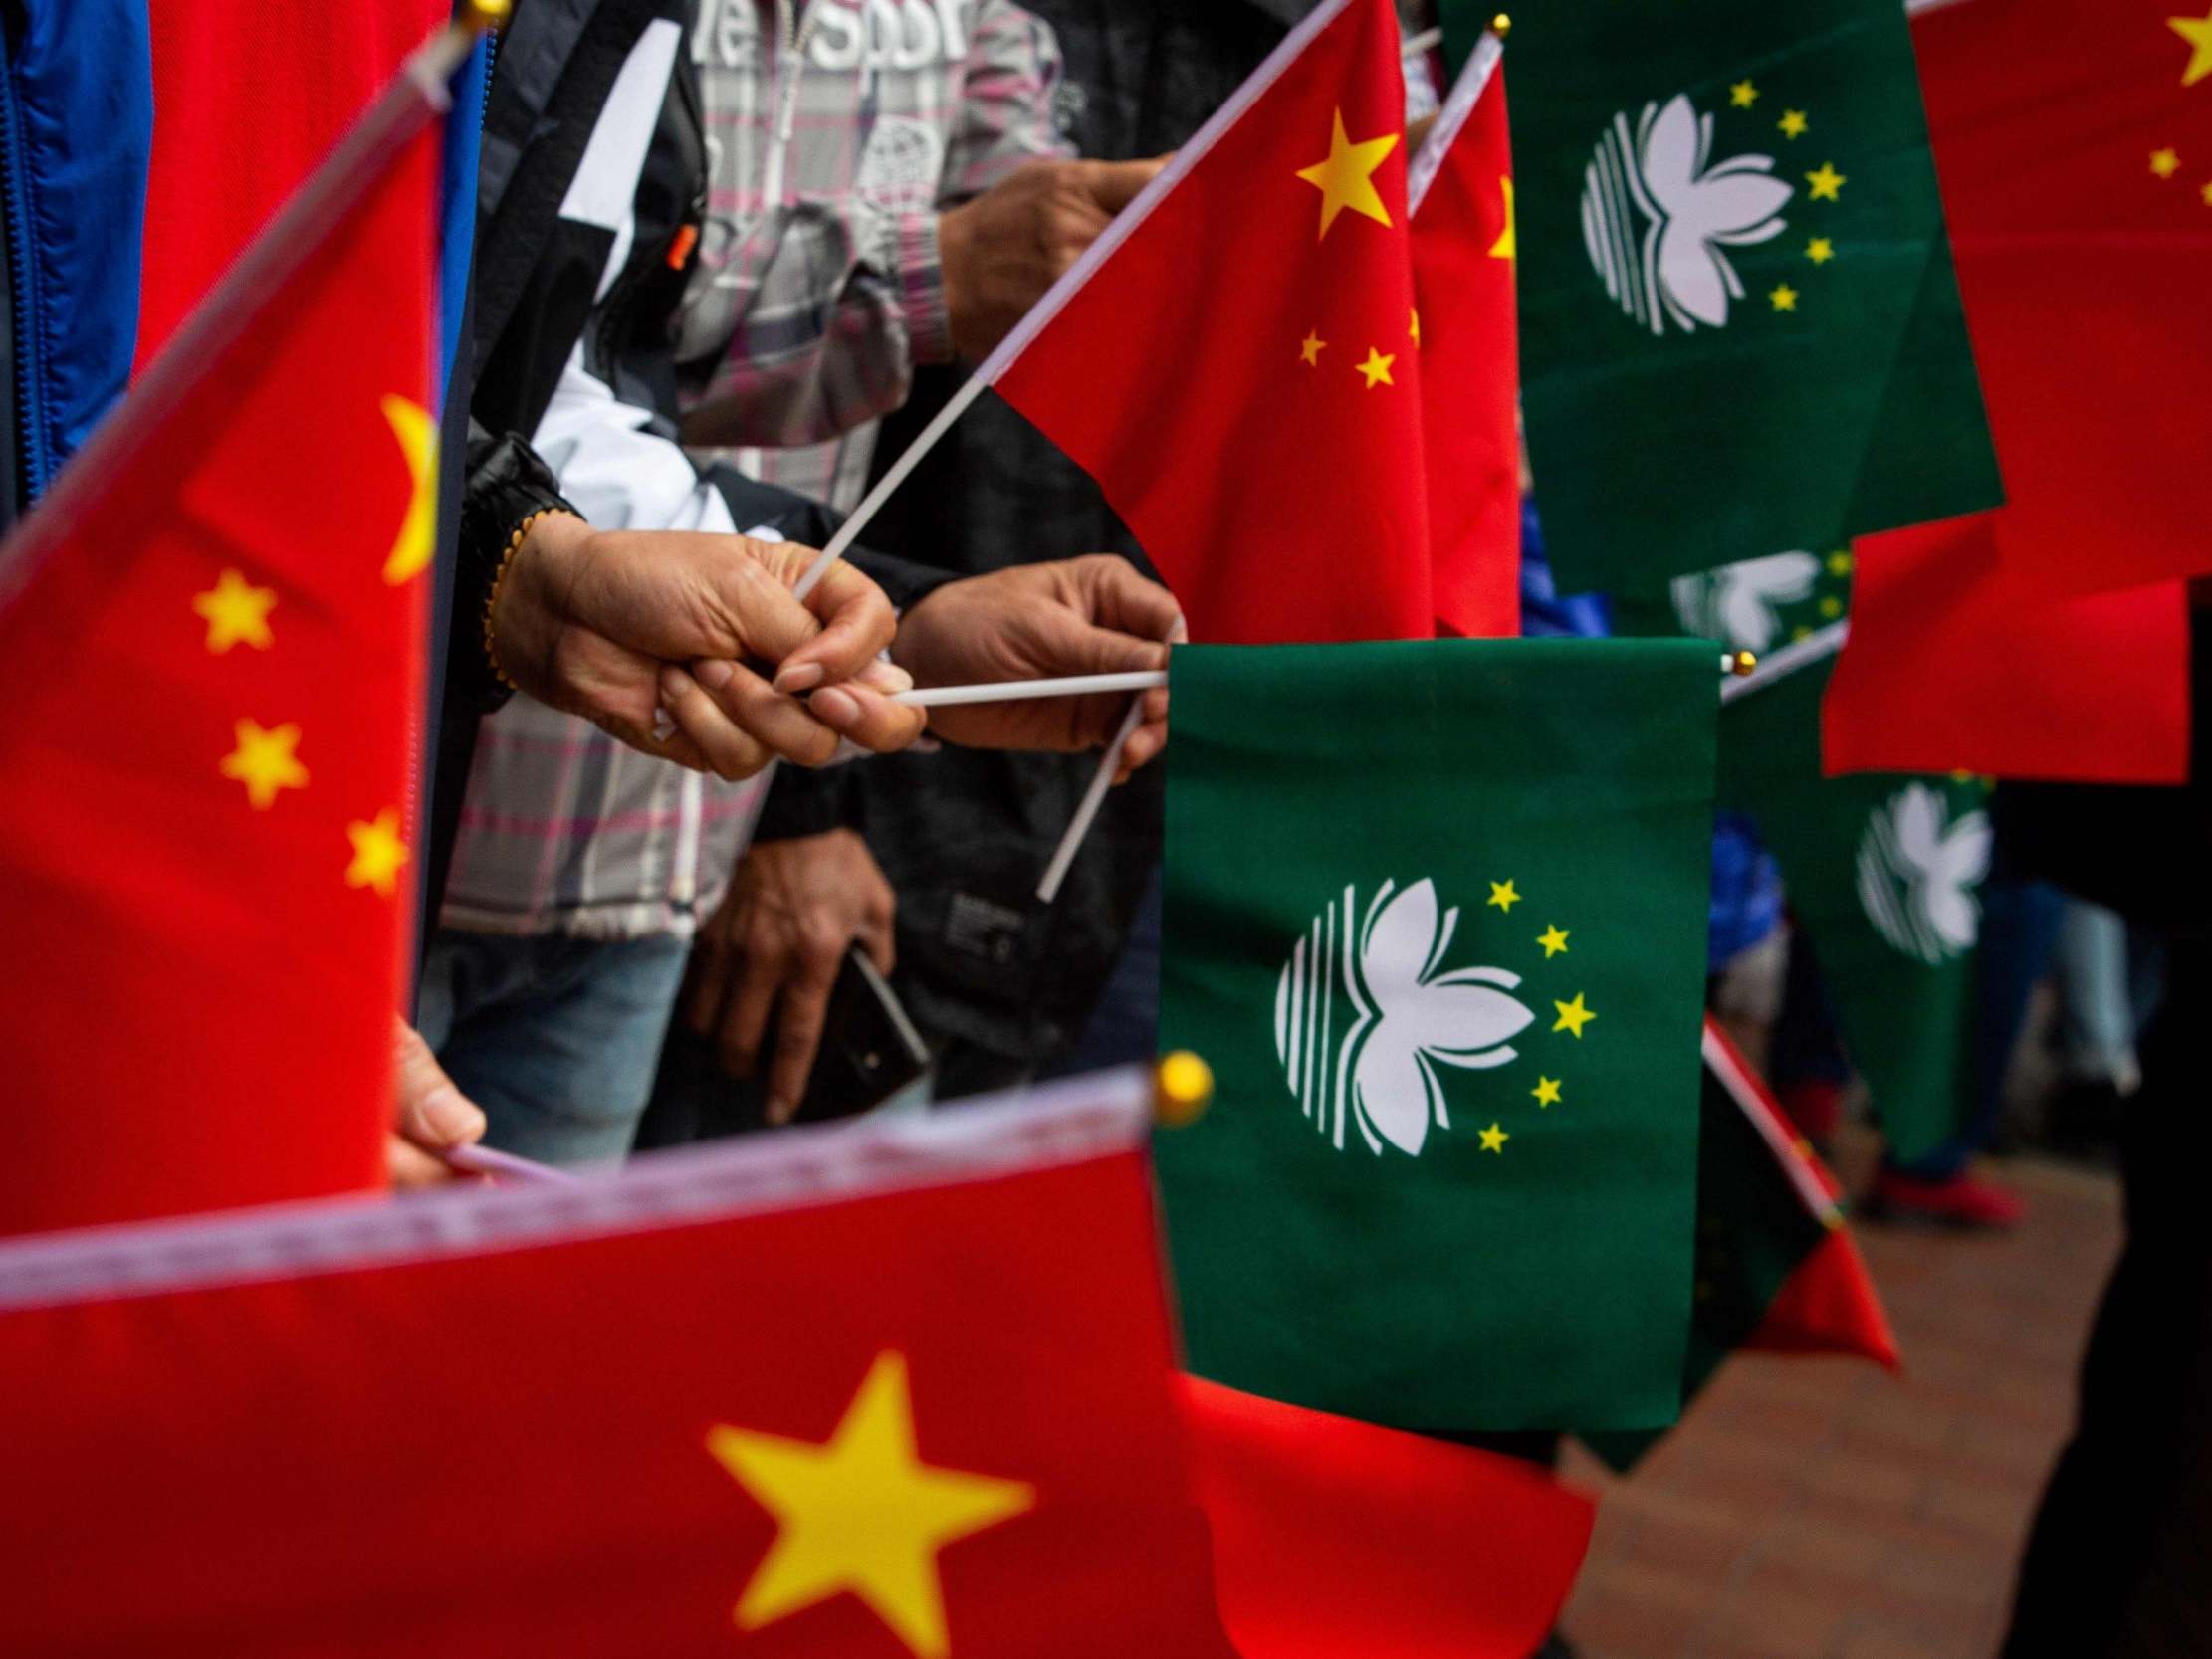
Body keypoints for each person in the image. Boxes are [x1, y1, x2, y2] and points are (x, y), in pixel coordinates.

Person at [420, 0, 1177, 1164]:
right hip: (411, 813)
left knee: (542, 1337)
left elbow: (578, 367)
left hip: (673, 842)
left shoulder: (978, 21)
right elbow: (472, 352)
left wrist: (905, 629)